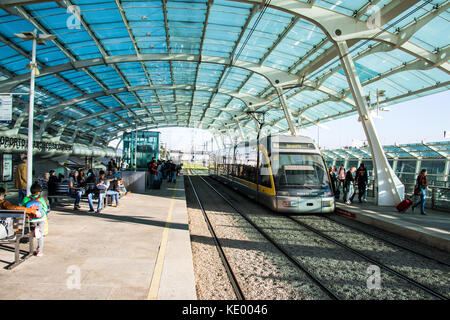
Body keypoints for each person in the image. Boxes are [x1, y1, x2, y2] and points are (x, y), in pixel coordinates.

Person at [22, 183, 49, 257]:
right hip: (40, 219)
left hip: (30, 220)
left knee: (31, 233)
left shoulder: (26, 199)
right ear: (38, 192)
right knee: (41, 234)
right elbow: (45, 209)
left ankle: (31, 248)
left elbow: (23, 208)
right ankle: (39, 251)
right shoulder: (40, 199)